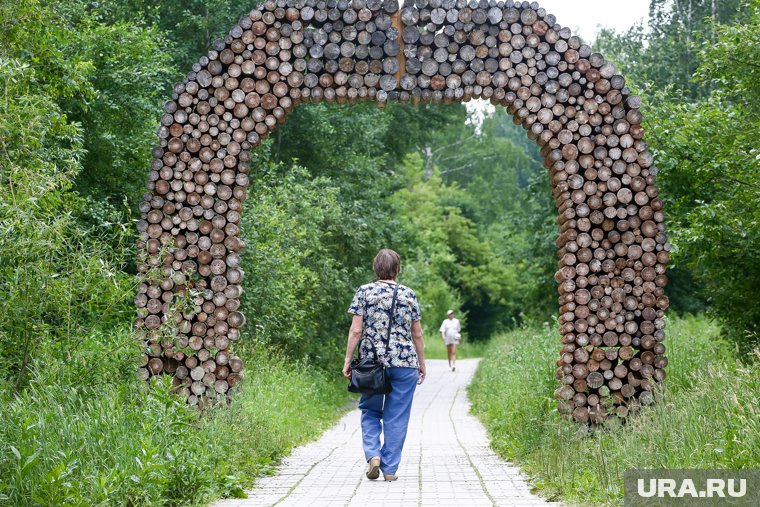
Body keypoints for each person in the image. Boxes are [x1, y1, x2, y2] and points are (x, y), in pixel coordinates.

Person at [342, 248, 426, 482]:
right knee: (397, 415)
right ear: (397, 269)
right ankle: (389, 469)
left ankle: (373, 456)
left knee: (370, 409)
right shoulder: (409, 294)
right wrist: (421, 363)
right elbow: (417, 334)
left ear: (376, 268)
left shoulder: (364, 292)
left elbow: (356, 330)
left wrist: (348, 361)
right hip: (404, 363)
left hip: (371, 364)